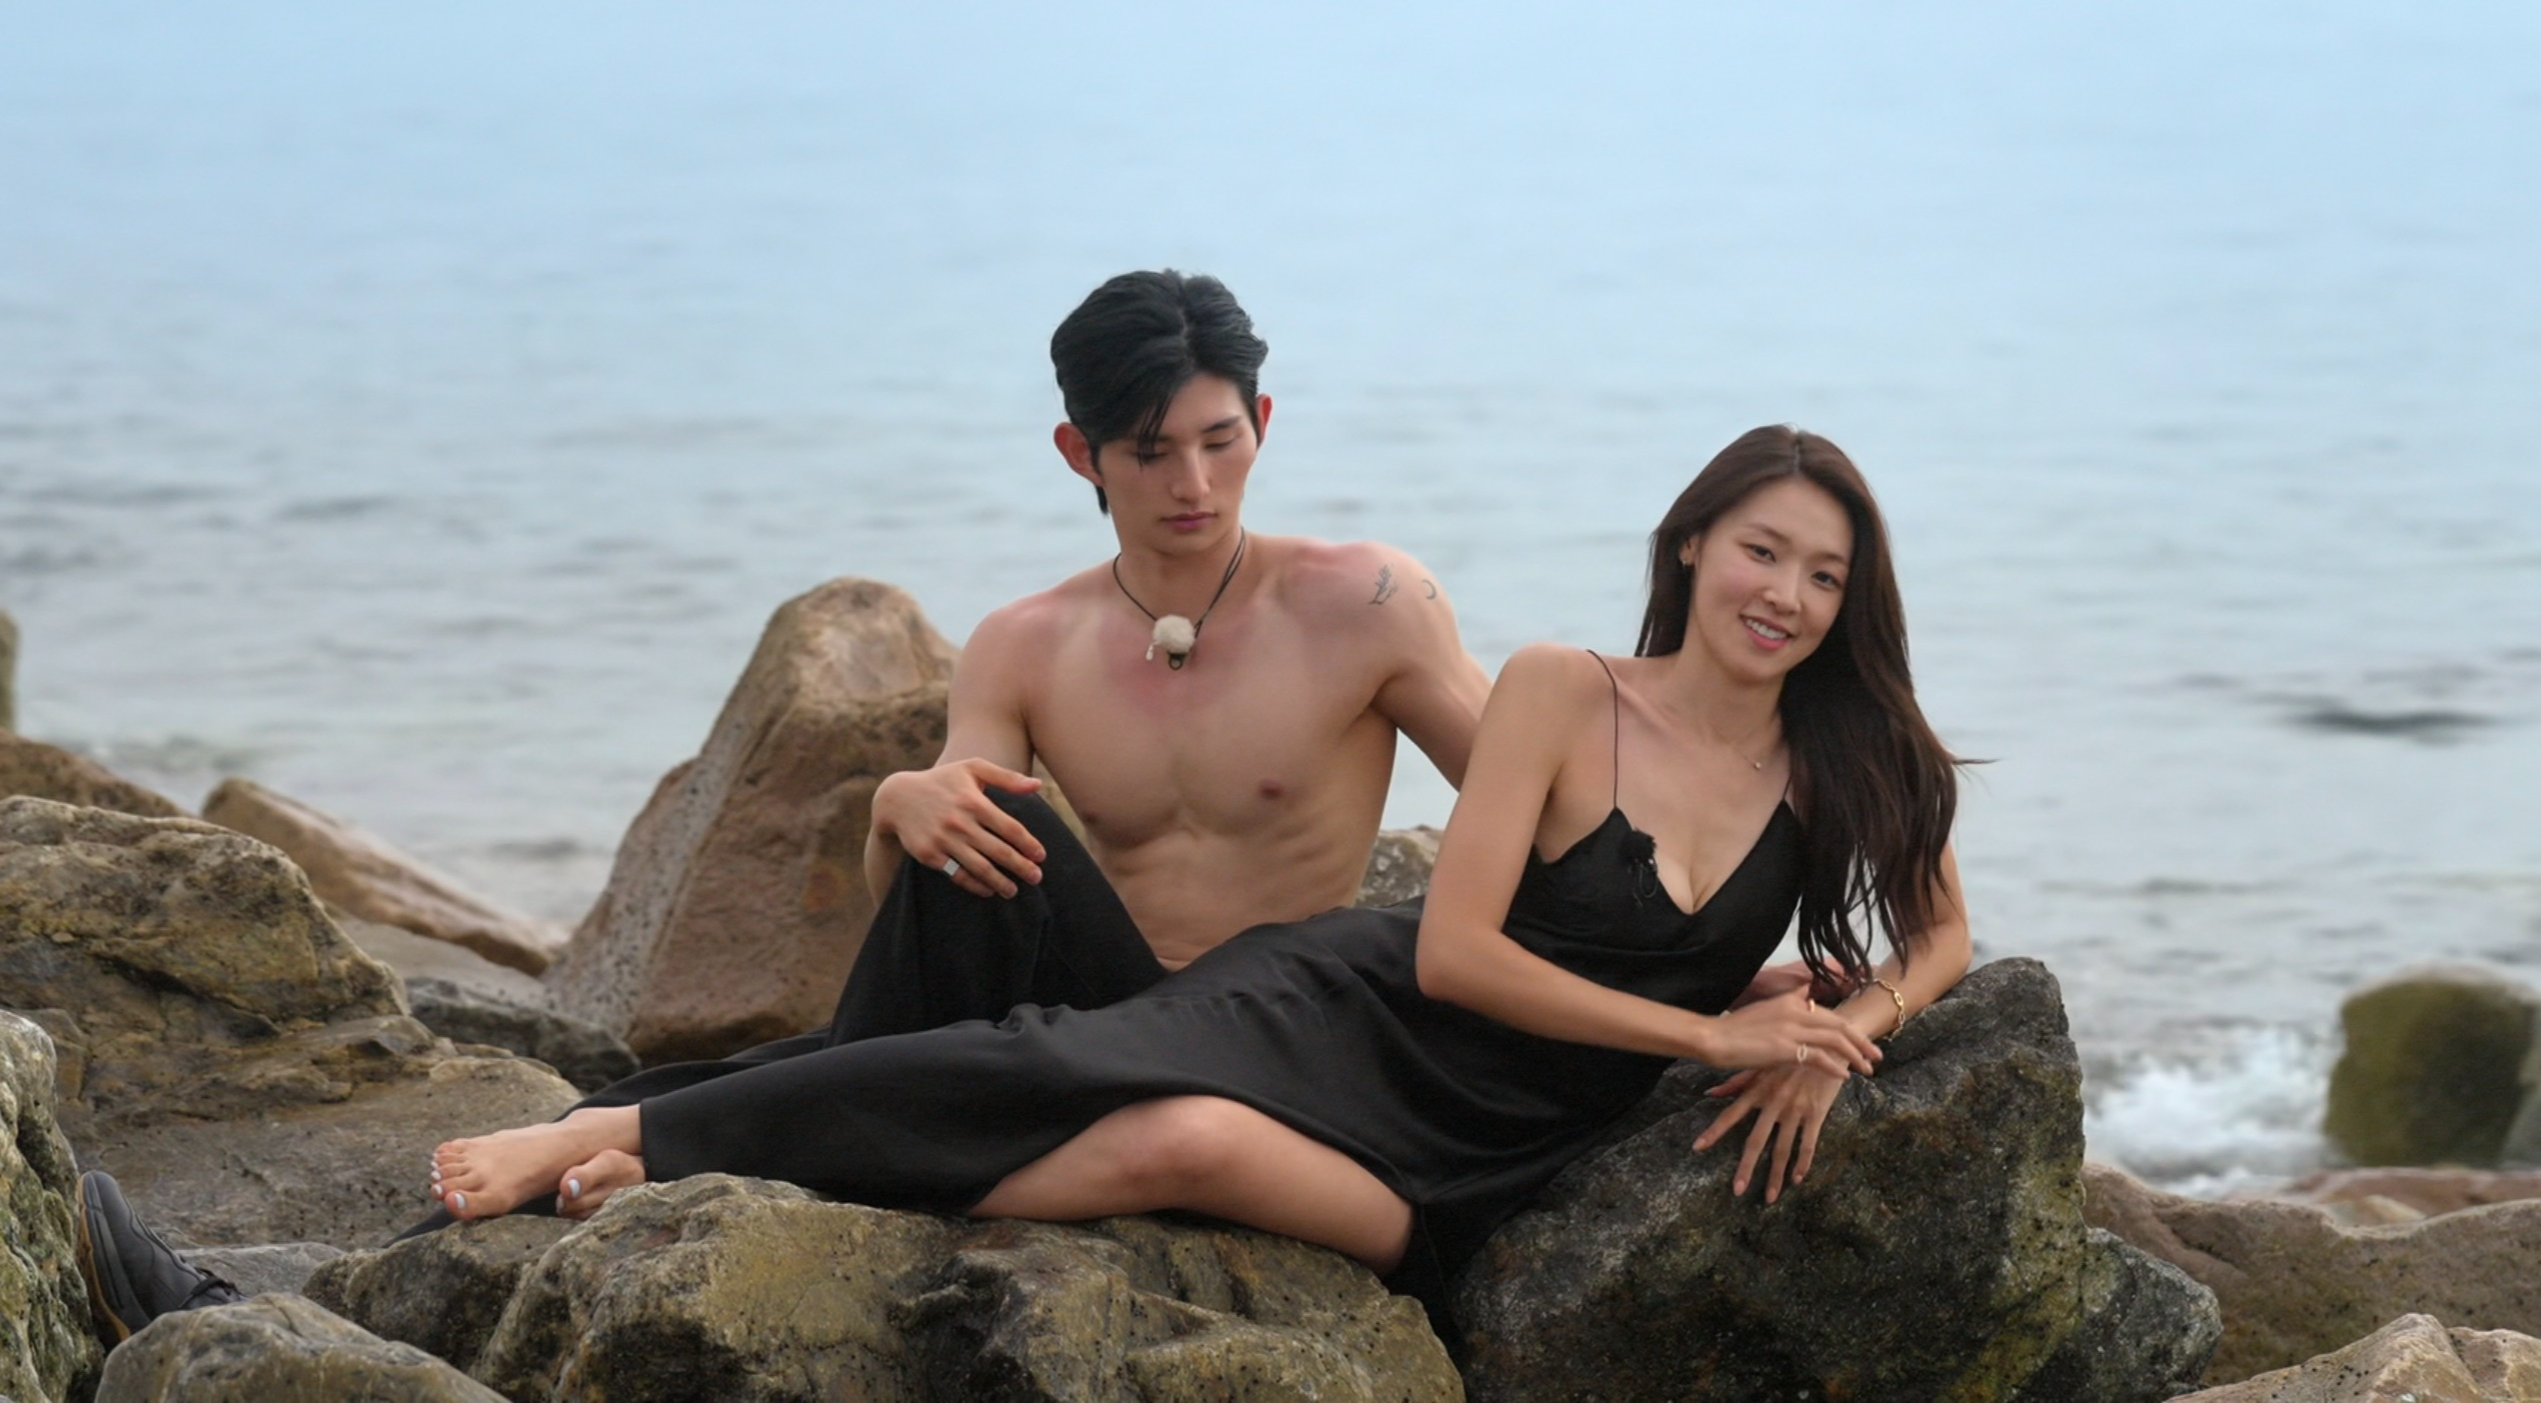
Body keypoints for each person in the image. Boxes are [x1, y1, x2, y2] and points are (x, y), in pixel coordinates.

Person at [73, 266, 1494, 1341]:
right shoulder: (1027, 643)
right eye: (1150, 451)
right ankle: (256, 1315)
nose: (1193, 482)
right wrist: (897, 806)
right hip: (1061, 1023)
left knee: (697, 1103)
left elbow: (1544, 815)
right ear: (1080, 454)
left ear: (1263, 423)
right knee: (956, 833)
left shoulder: (1366, 602)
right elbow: (930, 931)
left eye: (1220, 441)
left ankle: (595, 1163)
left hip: (1248, 1041)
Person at [417, 424, 1975, 1335]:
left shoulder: (1849, 756)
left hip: (1499, 1144)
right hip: (1352, 1006)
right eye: (1763, 551)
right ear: (1693, 544)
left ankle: (739, 1146)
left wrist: (1845, 1029)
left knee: (1173, 1140)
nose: (1786, 594)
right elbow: (1454, 951)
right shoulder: (1566, 691)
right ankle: (637, 1132)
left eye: (1824, 574)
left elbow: (1946, 934)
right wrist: (1716, 1031)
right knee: (1058, 1064)